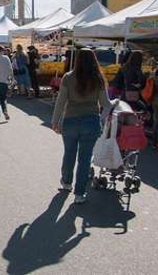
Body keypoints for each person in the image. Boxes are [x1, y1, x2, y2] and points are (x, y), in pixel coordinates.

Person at [52, 49, 113, 204]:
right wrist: (108, 111)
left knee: (69, 153)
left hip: (70, 120)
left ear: (77, 60)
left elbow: (61, 102)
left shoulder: (68, 77)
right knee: (85, 159)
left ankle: (66, 182)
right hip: (91, 121)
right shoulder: (98, 79)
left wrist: (55, 121)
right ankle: (79, 193)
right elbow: (106, 104)